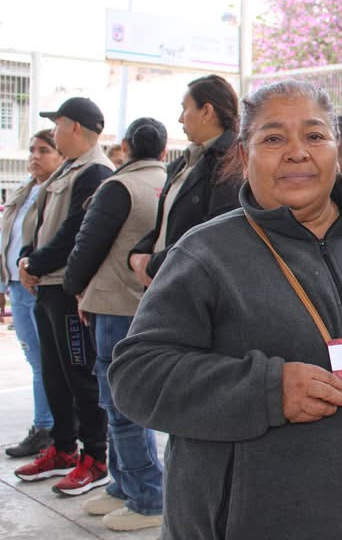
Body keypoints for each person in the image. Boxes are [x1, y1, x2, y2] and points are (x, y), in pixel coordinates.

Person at [108, 80, 342, 539]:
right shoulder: (206, 253)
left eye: (315, 136)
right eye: (273, 138)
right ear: (244, 154)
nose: (297, 153)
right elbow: (136, 376)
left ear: (338, 149)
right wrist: (267, 389)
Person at [62, 118, 168, 532]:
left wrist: (74, 288)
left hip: (113, 306)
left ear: (124, 147)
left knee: (120, 407)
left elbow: (87, 246)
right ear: (162, 150)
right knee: (128, 404)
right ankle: (124, 487)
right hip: (147, 303)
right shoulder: (168, 180)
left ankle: (146, 496)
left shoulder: (118, 187)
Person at [14, 97, 114, 495]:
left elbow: (75, 233)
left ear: (74, 127)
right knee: (55, 374)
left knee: (80, 375)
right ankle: (63, 449)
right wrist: (27, 260)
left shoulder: (95, 173)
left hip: (68, 290)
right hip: (47, 287)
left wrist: (34, 264)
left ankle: (96, 457)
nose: (51, 134)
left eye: (56, 127)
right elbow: (39, 227)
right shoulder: (67, 172)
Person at [128, 75, 241, 287]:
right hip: (168, 278)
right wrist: (138, 254)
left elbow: (214, 235)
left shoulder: (231, 163)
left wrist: (152, 264)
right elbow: (166, 224)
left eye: (185, 108)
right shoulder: (184, 162)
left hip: (194, 286)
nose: (180, 118)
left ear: (206, 111)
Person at [1, 129, 63, 457]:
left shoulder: (54, 193)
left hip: (38, 286)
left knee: (44, 362)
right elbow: (7, 241)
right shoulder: (25, 192)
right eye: (32, 150)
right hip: (16, 285)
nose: (35, 156)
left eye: (44, 150)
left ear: (60, 155)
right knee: (34, 359)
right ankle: (48, 423)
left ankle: (46, 427)